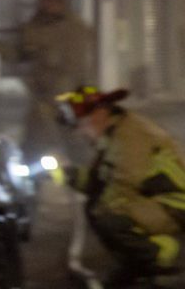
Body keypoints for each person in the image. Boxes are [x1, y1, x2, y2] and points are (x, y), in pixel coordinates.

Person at [56, 86, 185, 288]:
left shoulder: (130, 133)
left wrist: (101, 206)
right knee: (101, 207)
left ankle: (160, 254)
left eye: (81, 124)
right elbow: (99, 179)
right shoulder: (114, 133)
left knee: (107, 212)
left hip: (175, 205)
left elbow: (125, 181)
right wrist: (69, 175)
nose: (80, 132)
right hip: (157, 202)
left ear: (99, 113)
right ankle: (137, 262)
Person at [0, 0, 94, 162]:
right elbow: (23, 53)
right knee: (32, 155)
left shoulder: (76, 30)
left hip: (69, 106)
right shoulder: (35, 26)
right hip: (41, 106)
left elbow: (78, 72)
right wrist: (7, 51)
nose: (48, 2)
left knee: (79, 154)